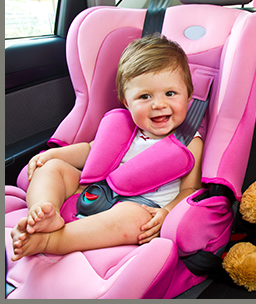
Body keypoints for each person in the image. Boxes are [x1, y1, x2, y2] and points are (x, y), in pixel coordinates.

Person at [10, 35, 203, 261]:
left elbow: (190, 191)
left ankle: (53, 240)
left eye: (170, 93)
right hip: (97, 190)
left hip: (141, 205)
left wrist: (167, 212)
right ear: (125, 101)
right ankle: (44, 212)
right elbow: (91, 151)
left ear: (188, 96)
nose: (158, 104)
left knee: (134, 218)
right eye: (144, 96)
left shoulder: (190, 142)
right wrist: (53, 154)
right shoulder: (124, 126)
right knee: (52, 168)